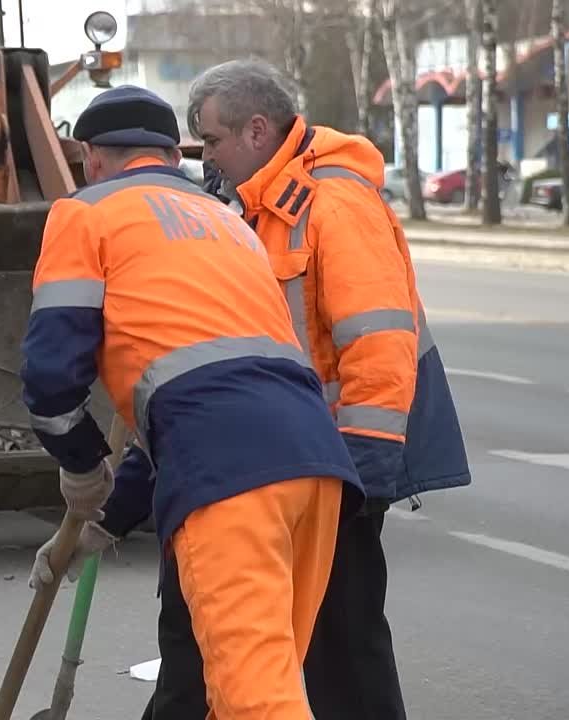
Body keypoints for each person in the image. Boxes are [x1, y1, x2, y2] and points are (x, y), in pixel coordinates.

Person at [121, 58, 474, 720]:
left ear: (257, 130)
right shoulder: (251, 210)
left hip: (335, 463)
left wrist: (366, 464)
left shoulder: (333, 204)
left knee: (342, 654)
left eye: (213, 141)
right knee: (226, 646)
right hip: (271, 460)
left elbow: (379, 339)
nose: (208, 160)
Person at [19, 85, 365, 720]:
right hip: (315, 466)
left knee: (253, 701)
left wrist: (79, 467)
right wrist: (105, 518)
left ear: (92, 158)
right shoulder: (230, 224)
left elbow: (50, 377)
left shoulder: (86, 212)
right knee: (254, 682)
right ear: (170, 155)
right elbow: (206, 389)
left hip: (228, 480)